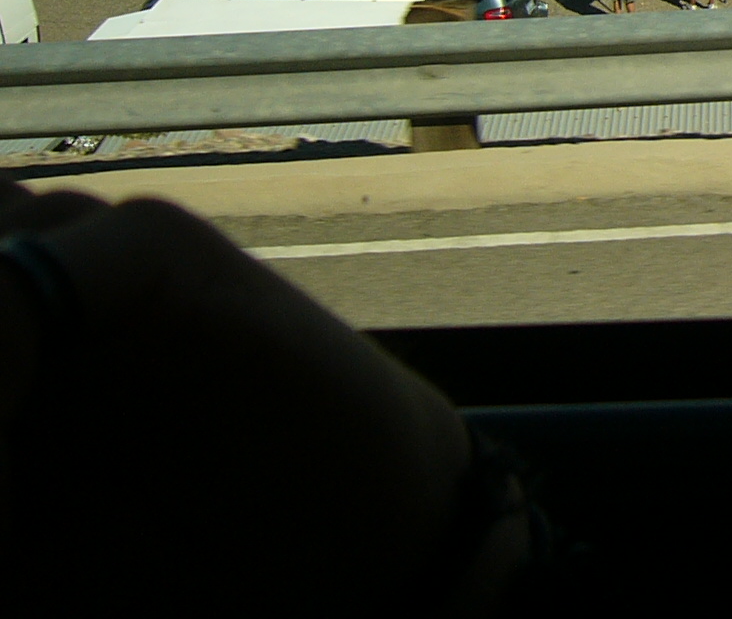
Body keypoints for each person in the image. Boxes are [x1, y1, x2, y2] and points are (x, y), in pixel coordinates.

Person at [0, 181, 543, 602]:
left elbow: (156, 245)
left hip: (473, 565)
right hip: (474, 537)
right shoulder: (101, 249)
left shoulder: (116, 255)